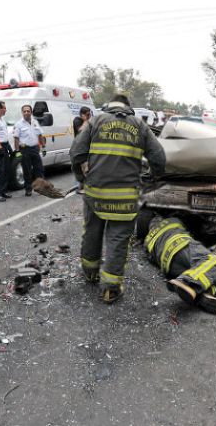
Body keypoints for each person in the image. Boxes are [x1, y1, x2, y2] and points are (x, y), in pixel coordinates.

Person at [70, 94, 166, 303]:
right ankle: (111, 289)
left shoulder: (95, 121)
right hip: (125, 198)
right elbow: (159, 158)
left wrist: (81, 178)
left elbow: (76, 153)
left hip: (95, 194)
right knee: (118, 239)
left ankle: (90, 272)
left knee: (92, 232)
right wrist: (151, 177)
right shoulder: (140, 125)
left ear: (110, 104)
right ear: (128, 107)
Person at [13, 104, 45, 196]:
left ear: (31, 112)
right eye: (24, 111)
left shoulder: (35, 122)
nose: (26, 112)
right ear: (22, 112)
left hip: (35, 148)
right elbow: (16, 138)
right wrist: (17, 151)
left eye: (28, 111)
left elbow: (40, 135)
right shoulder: (18, 124)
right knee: (27, 170)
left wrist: (43, 146)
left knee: (39, 169)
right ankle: (28, 189)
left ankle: (40, 188)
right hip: (24, 150)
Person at [72, 106, 92, 194]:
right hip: (78, 147)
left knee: (85, 168)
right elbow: (80, 130)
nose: (89, 116)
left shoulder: (89, 121)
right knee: (79, 168)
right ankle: (80, 186)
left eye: (89, 114)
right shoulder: (77, 120)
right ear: (82, 114)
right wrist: (85, 120)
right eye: (87, 114)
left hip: (86, 147)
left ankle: (84, 186)